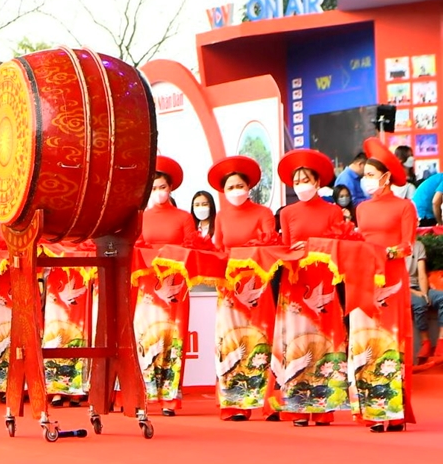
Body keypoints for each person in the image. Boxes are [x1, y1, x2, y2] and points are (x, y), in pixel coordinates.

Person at [272, 149, 347, 427]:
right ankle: (297, 408)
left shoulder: (333, 211)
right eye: (297, 181)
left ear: (317, 183)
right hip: (294, 283)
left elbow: (341, 247)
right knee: (296, 342)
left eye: (307, 180)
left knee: (324, 342)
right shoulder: (287, 213)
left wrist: (314, 247)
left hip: (323, 283)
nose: (302, 185)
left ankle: (324, 408)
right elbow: (284, 247)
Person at [353, 137, 417, 432]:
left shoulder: (405, 207)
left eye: (370, 175)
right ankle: (372, 410)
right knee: (366, 340)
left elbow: (407, 246)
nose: (366, 180)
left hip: (391, 278)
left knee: (390, 340)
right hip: (364, 278)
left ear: (386, 177)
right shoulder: (362, 209)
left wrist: (387, 252)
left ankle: (394, 411)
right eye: (364, 175)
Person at [208, 156, 276, 421]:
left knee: (260, 340)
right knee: (230, 341)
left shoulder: (263, 213)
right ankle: (234, 403)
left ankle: (267, 401)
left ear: (249, 188)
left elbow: (269, 245)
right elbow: (218, 249)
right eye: (230, 187)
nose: (235, 191)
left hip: (257, 286)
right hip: (228, 287)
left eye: (239, 186)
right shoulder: (222, 216)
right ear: (224, 192)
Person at [133, 156, 196, 416]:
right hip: (148, 288)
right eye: (155, 187)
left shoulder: (184, 217)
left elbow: (193, 252)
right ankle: (143, 394)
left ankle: (170, 398)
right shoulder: (140, 217)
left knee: (173, 339)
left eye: (163, 187)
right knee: (146, 339)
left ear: (171, 188)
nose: (159, 192)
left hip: (176, 287)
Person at [407, 240, 443, 361]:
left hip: (419, 286)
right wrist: (416, 293)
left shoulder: (418, 245)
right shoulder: (392, 247)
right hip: (401, 289)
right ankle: (425, 342)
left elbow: (421, 273)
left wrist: (424, 293)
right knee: (420, 303)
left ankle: (441, 341)